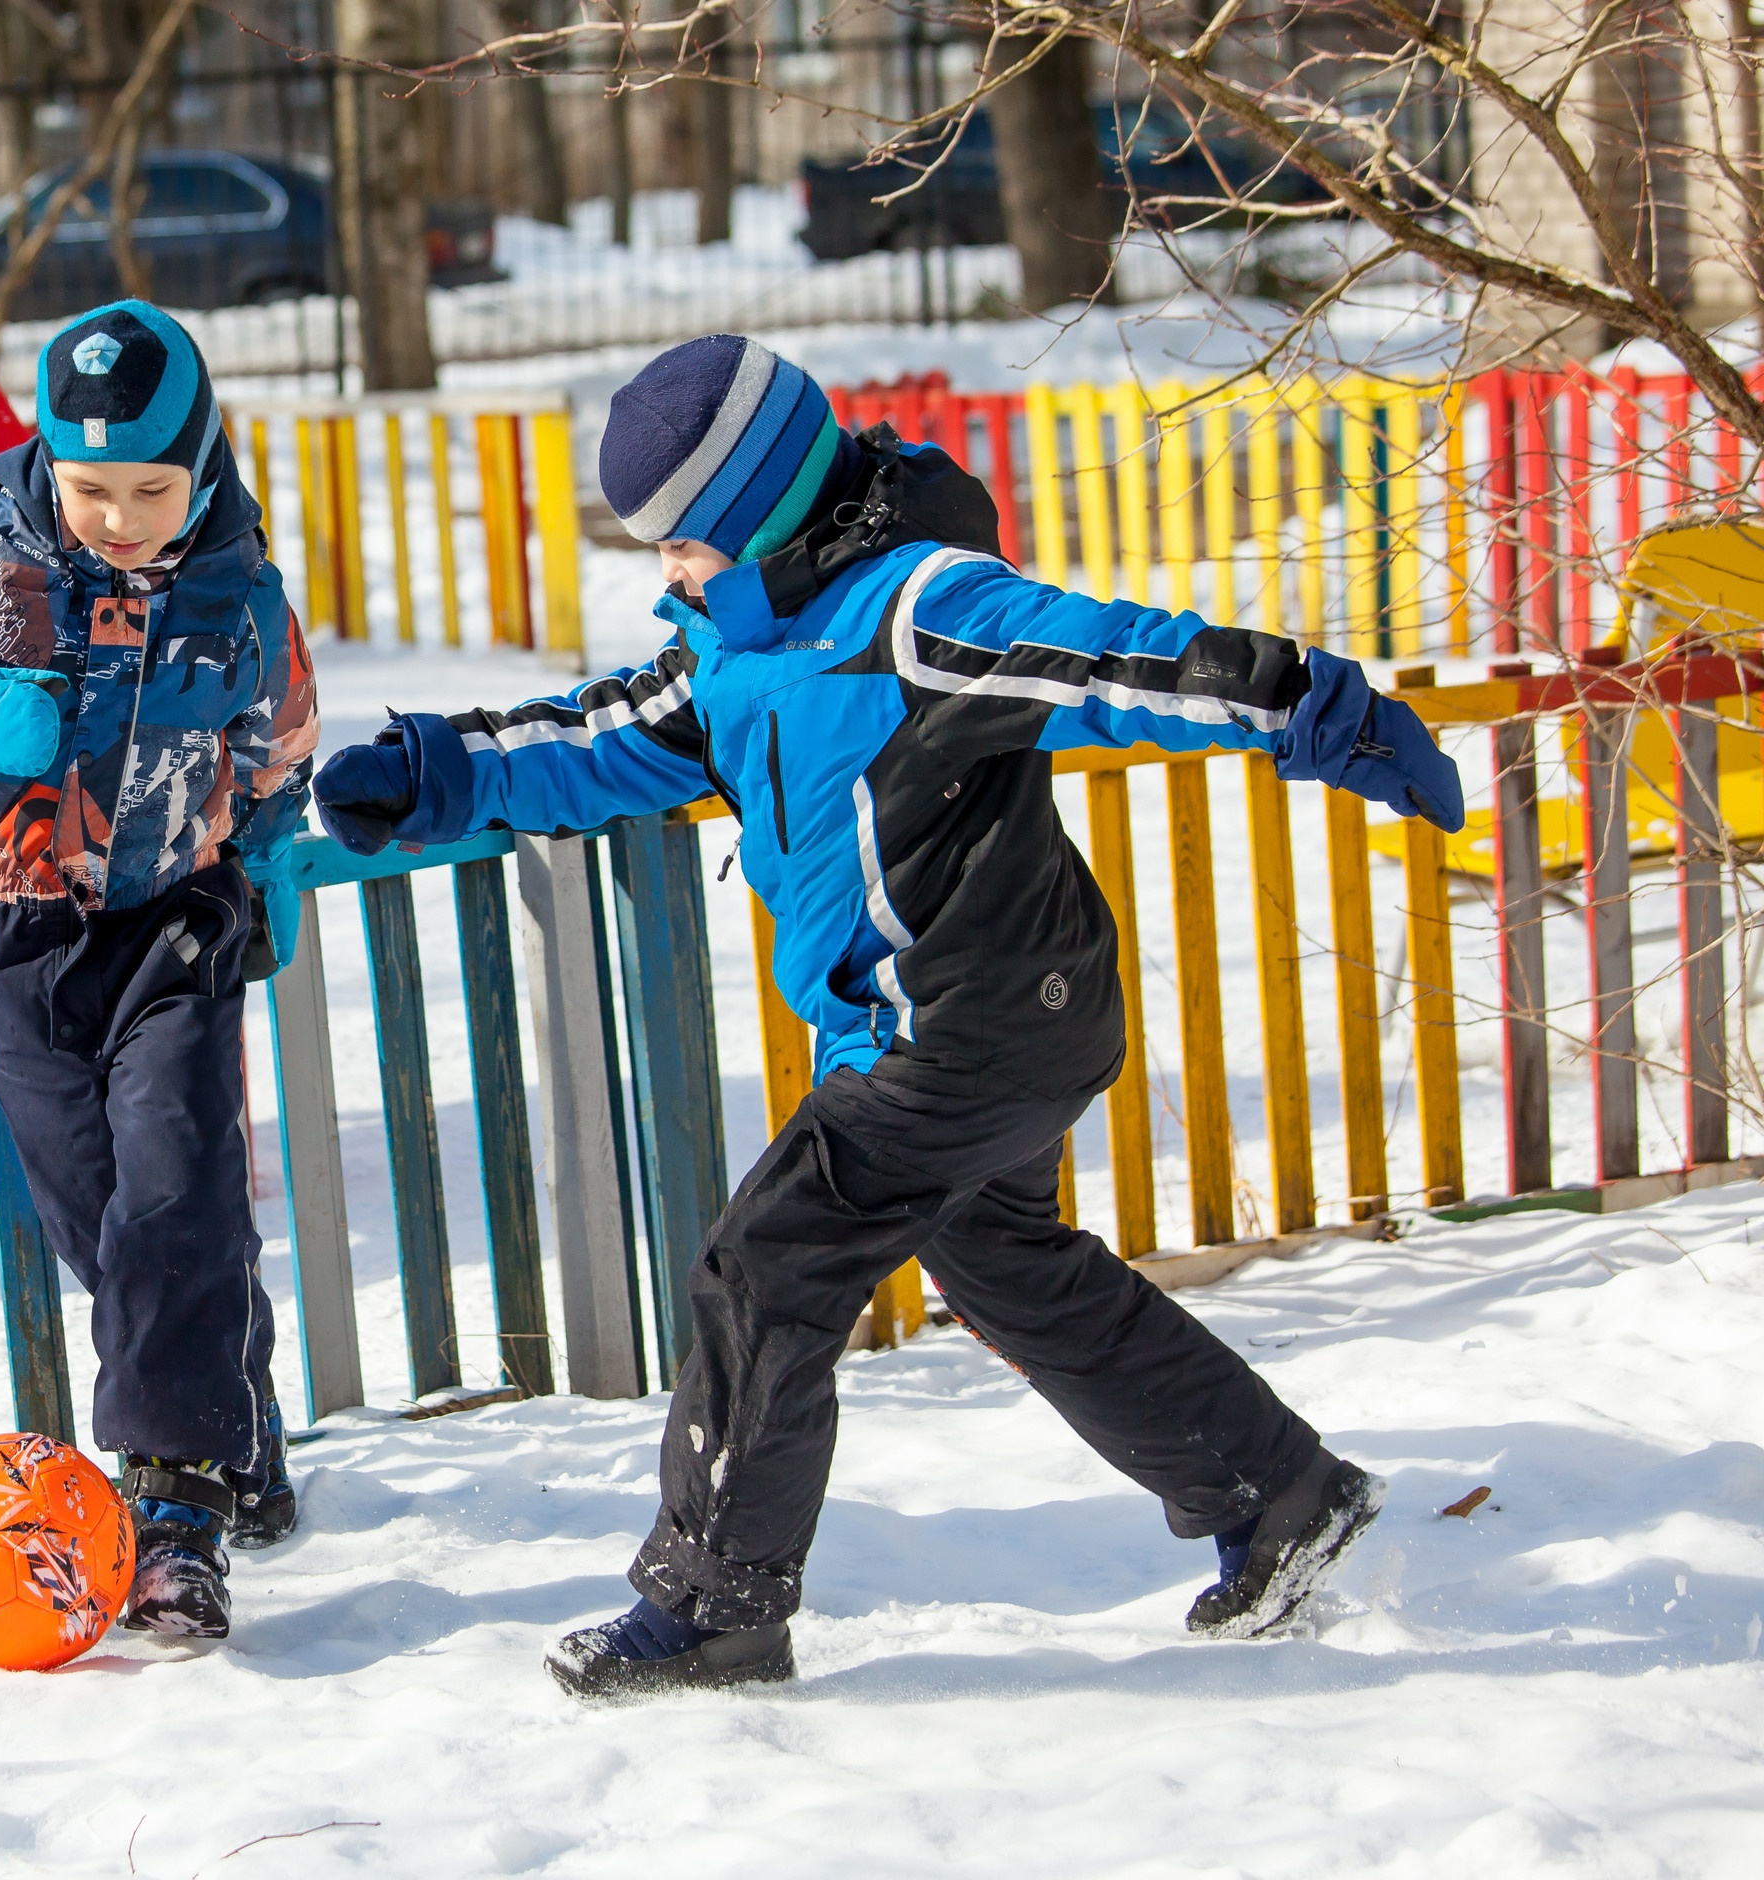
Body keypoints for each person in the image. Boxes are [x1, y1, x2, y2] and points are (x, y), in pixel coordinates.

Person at [311, 335, 1462, 1700]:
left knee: (767, 1267)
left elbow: (1115, 659)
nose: (669, 573)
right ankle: (1279, 1496)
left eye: (679, 542)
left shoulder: (919, 607)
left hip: (966, 1026)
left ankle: (717, 1611)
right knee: (1005, 1263)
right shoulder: (736, 646)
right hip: (975, 1024)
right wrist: (438, 772)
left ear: (757, 512)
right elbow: (608, 734)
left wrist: (1309, 704)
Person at [0, 300, 318, 1640]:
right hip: (21, 935)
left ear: (200, 464)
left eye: (152, 489)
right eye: (93, 490)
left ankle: (177, 1517)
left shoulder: (240, 593)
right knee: (103, 1225)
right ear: (48, 461)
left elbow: (277, 746)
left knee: (175, 1196)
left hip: (175, 925)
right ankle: (239, 1407)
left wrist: (264, 870)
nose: (120, 519)